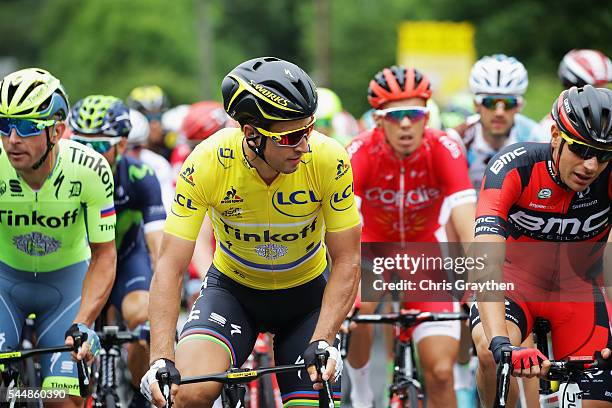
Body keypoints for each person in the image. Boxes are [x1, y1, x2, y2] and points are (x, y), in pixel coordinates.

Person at [140, 56, 362, 408]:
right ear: (251, 134)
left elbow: (348, 258)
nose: (304, 146)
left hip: (305, 299)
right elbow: (169, 266)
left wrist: (324, 338)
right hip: (233, 293)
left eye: (308, 130)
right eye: (291, 137)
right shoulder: (208, 162)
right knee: (187, 394)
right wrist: (160, 358)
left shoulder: (328, 158)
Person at [470, 85, 612, 407]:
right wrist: (500, 343)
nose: (591, 166)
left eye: (603, 155)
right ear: (555, 136)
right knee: (491, 356)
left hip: (578, 293)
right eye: (580, 149)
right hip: (513, 285)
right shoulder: (513, 166)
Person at [345, 65, 477, 408]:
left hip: (424, 254)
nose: (406, 123)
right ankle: (361, 392)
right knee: (358, 307)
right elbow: (344, 224)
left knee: (441, 374)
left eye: (415, 114)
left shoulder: (445, 148)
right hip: (371, 247)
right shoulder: (358, 152)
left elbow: (467, 218)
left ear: (427, 116)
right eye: (396, 115)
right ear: (378, 120)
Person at [0, 68, 116, 407]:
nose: (12, 139)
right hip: (5, 281)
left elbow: (104, 255)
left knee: (61, 401)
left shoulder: (90, 170)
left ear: (57, 131)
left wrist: (84, 322)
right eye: (5, 125)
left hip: (67, 288)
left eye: (26, 127)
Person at [69, 94, 166, 407]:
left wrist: (167, 298)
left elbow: (159, 249)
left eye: (97, 146)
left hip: (127, 261)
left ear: (121, 146)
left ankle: (142, 394)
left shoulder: (141, 176)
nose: (86, 155)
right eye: (79, 144)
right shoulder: (62, 177)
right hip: (79, 264)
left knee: (145, 319)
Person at [448, 54, 545, 192]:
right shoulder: (457, 140)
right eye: (490, 103)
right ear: (476, 105)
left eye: (509, 103)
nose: (499, 112)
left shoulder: (536, 138)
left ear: (519, 106)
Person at [539, 49, 612, 135]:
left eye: (605, 89)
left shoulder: (547, 126)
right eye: (593, 90)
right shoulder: (547, 128)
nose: (601, 97)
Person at [125, 108, 174, 211]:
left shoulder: (159, 164)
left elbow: (167, 207)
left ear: (145, 145)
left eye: (136, 147)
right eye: (124, 148)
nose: (129, 154)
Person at [127, 85, 172, 160]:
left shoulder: (172, 146)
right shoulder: (128, 149)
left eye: (158, 114)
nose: (154, 123)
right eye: (147, 115)